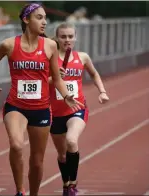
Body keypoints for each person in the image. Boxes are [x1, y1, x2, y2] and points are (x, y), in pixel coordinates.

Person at [0, 4, 83, 196]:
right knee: (16, 144)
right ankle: (20, 190)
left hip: (41, 109)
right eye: (39, 17)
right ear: (26, 20)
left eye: (45, 18)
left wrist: (66, 96)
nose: (44, 22)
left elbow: (56, 79)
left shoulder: (50, 45)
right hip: (16, 105)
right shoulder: (8, 45)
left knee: (37, 161)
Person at [49, 23, 110, 196]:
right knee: (62, 155)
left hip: (77, 108)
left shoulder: (82, 57)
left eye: (70, 36)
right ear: (57, 38)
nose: (67, 40)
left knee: (71, 141)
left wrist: (102, 92)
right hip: (54, 113)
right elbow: (41, 83)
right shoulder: (49, 59)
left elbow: (94, 74)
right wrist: (53, 78)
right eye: (63, 36)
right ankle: (66, 183)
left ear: (75, 38)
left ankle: (72, 185)